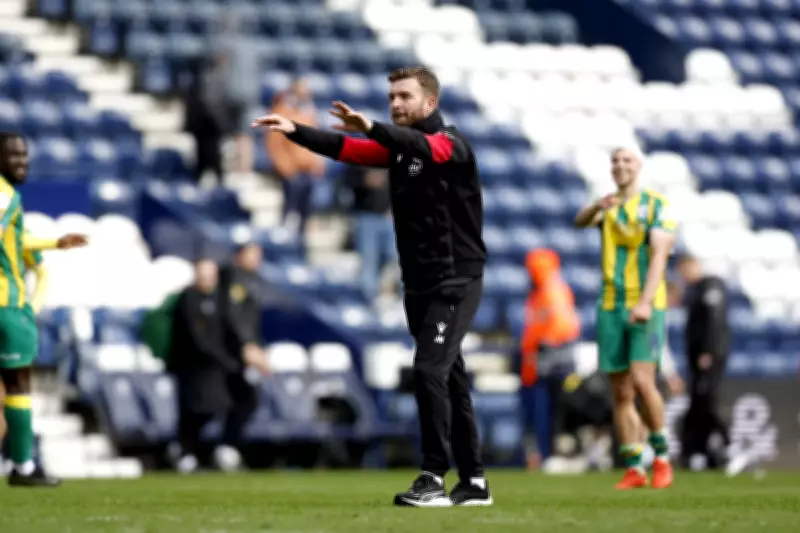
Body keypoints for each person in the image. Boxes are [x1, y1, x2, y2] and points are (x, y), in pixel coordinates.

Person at [252, 67, 491, 507]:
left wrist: (373, 128)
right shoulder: (398, 152)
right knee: (450, 378)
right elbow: (346, 149)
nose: (395, 103)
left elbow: (427, 148)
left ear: (430, 103)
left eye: (405, 96)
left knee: (428, 370)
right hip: (418, 282)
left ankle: (433, 477)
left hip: (455, 281)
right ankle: (474, 482)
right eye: (392, 96)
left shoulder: (451, 143)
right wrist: (296, 131)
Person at [574, 146, 677, 490]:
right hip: (609, 304)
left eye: (626, 160)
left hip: (646, 304)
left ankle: (661, 457)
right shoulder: (609, 206)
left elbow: (660, 255)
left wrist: (645, 302)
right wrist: (596, 206)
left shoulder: (656, 205)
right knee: (620, 392)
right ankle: (634, 466)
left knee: (644, 381)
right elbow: (579, 222)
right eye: (615, 161)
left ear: (639, 166)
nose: (620, 165)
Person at [0, 133, 88, 486]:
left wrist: (55, 242)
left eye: (24, 156)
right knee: (18, 386)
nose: (22, 163)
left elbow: (16, 240)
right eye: (13, 156)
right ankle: (22, 467)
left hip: (13, 306)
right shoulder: (5, 195)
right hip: (7, 306)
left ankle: (22, 466)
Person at [167, 259, 239, 473]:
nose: (208, 279)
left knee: (215, 407)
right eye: (203, 274)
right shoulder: (188, 298)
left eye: (211, 275)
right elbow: (198, 337)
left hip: (212, 367)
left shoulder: (218, 299)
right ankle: (184, 452)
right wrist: (225, 360)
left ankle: (192, 449)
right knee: (192, 410)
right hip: (191, 367)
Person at [519, 248, 580, 461]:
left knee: (550, 411)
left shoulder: (552, 292)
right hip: (544, 360)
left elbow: (562, 328)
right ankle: (547, 454)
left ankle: (552, 454)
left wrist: (539, 347)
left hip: (551, 361)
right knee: (545, 412)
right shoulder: (544, 292)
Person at [214, 242, 269, 471]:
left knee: (245, 400)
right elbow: (233, 315)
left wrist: (256, 345)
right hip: (229, 353)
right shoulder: (233, 278)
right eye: (252, 255)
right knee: (240, 399)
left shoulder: (250, 280)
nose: (257, 260)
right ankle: (221, 448)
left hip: (239, 352)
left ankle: (227, 448)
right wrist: (246, 345)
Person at [676, 254, 730, 469]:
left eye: (685, 270)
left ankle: (727, 445)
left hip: (709, 357)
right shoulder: (697, 290)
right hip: (699, 359)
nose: (684, 276)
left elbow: (713, 321)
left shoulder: (710, 287)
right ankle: (699, 452)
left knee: (707, 401)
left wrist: (708, 350)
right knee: (699, 403)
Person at [265, 79, 325, 236]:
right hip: (291, 173)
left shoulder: (309, 114)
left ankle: (301, 241)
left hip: (308, 172)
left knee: (305, 214)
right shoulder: (281, 113)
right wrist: (287, 170)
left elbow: (315, 142)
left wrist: (317, 164)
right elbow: (275, 146)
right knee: (290, 214)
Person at [343, 166, 396, 302]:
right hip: (366, 215)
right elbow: (348, 180)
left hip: (389, 216)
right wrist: (365, 179)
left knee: (391, 255)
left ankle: (377, 287)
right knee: (369, 258)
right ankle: (368, 297)